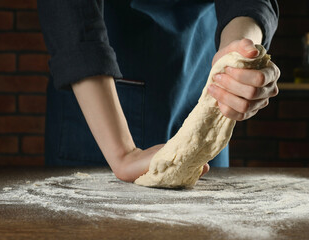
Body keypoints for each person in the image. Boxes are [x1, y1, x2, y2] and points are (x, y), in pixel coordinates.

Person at [37, 0, 280, 182]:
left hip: (200, 83)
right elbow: (70, 13)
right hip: (96, 102)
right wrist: (123, 154)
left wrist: (238, 55)